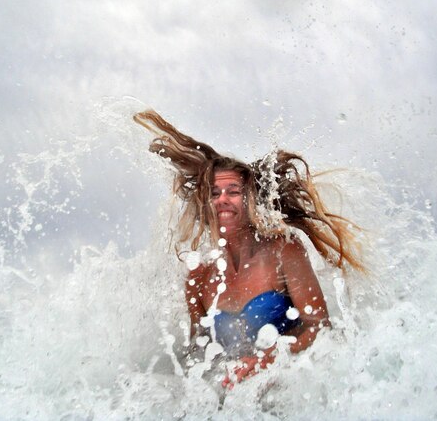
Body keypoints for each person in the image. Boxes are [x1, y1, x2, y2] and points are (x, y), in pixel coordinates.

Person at [134, 109, 363, 388]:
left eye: (233, 191)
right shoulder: (199, 278)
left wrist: (270, 360)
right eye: (214, 193)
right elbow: (197, 355)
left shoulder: (284, 251)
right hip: (233, 401)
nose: (222, 200)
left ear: (250, 199)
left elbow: (319, 326)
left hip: (289, 392)